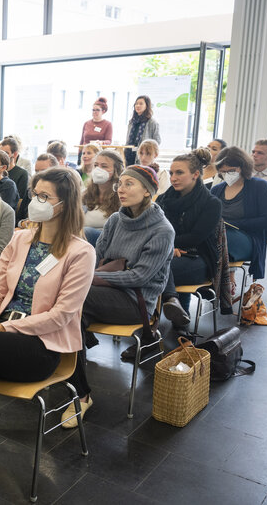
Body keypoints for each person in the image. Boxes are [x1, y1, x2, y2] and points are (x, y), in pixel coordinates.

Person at [0, 167, 95, 504]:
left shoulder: (80, 252)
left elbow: (61, 316)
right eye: (34, 194)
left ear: (65, 204)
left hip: (39, 348)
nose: (35, 201)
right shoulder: (21, 238)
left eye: (45, 197)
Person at [66, 166, 174, 419]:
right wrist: (86, 274)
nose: (121, 189)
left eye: (129, 184)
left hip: (135, 301)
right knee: (71, 309)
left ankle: (78, 391)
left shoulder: (162, 230)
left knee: (75, 297)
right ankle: (75, 384)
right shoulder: (116, 219)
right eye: (120, 184)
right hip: (105, 290)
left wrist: (89, 278)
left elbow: (140, 277)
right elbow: (98, 256)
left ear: (148, 192)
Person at [156, 148, 222, 320]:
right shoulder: (163, 199)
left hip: (198, 257)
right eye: (171, 173)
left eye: (179, 172)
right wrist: (170, 249)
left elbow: (196, 237)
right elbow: (154, 230)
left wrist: (170, 245)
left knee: (155, 268)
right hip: (166, 253)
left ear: (195, 174)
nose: (173, 178)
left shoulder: (211, 203)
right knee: (152, 266)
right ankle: (173, 309)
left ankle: (160, 320)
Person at [211, 146, 267, 285]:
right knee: (208, 240)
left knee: (217, 239)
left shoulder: (259, 186)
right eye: (223, 172)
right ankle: (218, 282)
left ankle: (222, 282)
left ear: (242, 167)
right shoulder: (217, 190)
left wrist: (234, 224)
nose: (227, 174)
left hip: (248, 238)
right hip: (220, 236)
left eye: (231, 171)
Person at [82, 150, 124, 246]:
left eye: (104, 166)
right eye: (96, 165)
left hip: (109, 242)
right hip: (82, 241)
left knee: (86, 232)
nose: (98, 169)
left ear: (115, 171)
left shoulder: (122, 196)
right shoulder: (84, 194)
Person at [125, 95, 161, 165]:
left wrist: (147, 151)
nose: (138, 106)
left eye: (141, 104)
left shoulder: (152, 122)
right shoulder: (132, 122)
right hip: (129, 154)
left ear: (147, 106)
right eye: (136, 104)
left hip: (143, 156)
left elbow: (157, 140)